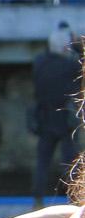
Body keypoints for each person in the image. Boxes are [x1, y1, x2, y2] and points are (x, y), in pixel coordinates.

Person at [32, 20, 81, 203]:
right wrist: (76, 45)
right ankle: (73, 198)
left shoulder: (39, 63)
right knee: (70, 162)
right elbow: (81, 63)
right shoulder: (70, 66)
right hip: (66, 118)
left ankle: (37, 199)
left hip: (45, 116)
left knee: (42, 161)